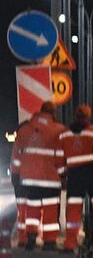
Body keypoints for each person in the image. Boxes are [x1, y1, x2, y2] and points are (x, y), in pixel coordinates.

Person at [13, 102, 67, 250]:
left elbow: (16, 156)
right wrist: (63, 175)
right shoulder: (59, 130)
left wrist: (16, 175)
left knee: (32, 207)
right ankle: (49, 242)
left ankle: (31, 238)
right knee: (50, 209)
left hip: (29, 178)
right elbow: (61, 157)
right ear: (53, 114)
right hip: (50, 178)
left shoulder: (24, 130)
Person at [59, 105, 93, 250]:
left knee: (74, 210)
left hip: (75, 175)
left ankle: (70, 242)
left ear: (75, 116)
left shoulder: (65, 134)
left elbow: (60, 157)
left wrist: (62, 175)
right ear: (89, 116)